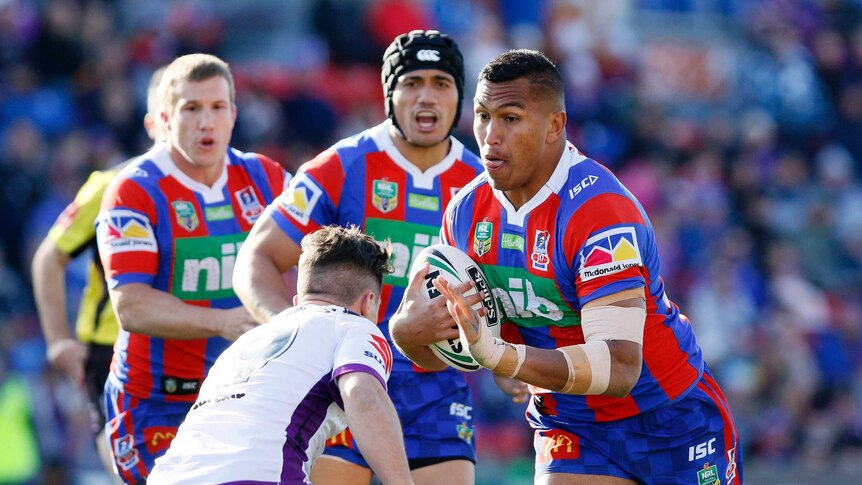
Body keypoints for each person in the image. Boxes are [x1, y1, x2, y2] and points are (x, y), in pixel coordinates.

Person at [424, 49, 743, 484]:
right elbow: (429, 333)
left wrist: (502, 357)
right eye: (482, 115)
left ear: (555, 125)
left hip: (669, 416)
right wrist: (411, 331)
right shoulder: (464, 214)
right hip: (571, 423)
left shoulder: (599, 211)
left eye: (511, 118)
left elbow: (619, 368)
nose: (490, 135)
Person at [233, 30, 483, 485]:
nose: (426, 96)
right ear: (390, 94)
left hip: (437, 382)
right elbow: (256, 259)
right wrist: (291, 337)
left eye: (441, 84)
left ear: (458, 97)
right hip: (343, 380)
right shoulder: (342, 165)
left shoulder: (482, 185)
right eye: (412, 82)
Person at [95, 53, 288, 484]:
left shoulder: (267, 178)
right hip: (156, 403)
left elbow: (312, 259)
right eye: (191, 109)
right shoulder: (133, 189)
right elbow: (132, 306)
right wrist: (221, 322)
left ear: (234, 115)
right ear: (165, 118)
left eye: (217, 108)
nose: (207, 122)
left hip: (240, 397)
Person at [148, 225, 413, 485]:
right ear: (368, 303)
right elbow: (363, 395)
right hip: (256, 477)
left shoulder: (245, 343)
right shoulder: (353, 325)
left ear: (298, 301)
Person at [31, 65, 167, 481]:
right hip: (112, 352)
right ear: (153, 120)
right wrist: (57, 341)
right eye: (181, 109)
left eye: (211, 108)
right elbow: (48, 258)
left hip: (198, 349)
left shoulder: (236, 189)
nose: (197, 121)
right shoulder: (112, 184)